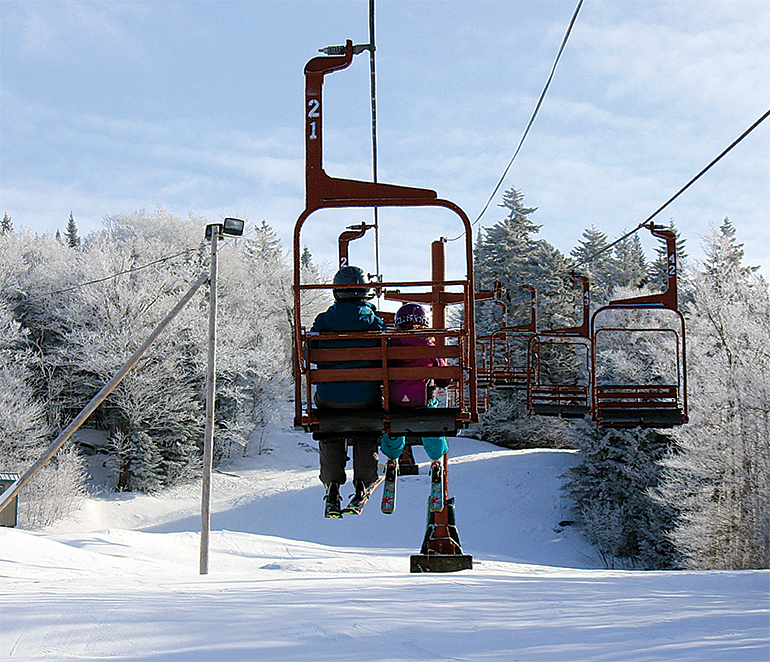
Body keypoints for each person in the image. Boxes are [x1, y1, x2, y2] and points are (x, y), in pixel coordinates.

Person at [310, 265, 387, 517]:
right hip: (366, 397)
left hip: (329, 398)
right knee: (366, 431)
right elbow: (387, 356)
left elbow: (307, 355)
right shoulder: (375, 324)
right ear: (365, 292)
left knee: (330, 430)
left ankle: (332, 488)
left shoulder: (323, 321)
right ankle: (363, 485)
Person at [380, 303, 449, 483]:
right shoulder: (428, 347)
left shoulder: (388, 347)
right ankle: (436, 460)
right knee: (430, 421)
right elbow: (445, 379)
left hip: (395, 403)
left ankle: (392, 457)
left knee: (393, 423)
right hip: (422, 402)